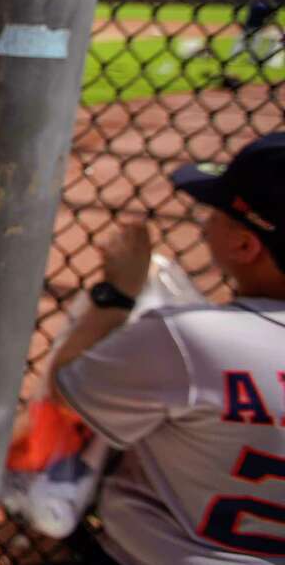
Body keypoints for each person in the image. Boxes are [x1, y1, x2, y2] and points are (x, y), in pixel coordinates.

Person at [50, 132, 285, 564]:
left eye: (214, 212)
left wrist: (117, 294)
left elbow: (67, 392)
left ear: (244, 245)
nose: (204, 221)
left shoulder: (193, 340)